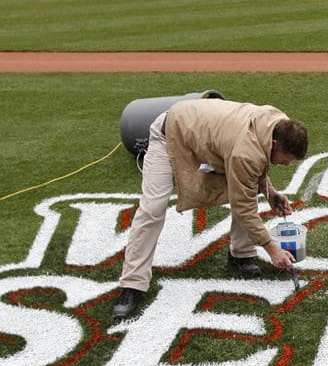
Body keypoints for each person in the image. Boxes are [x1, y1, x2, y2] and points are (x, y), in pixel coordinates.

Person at [112, 98, 309, 319]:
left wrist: (271, 192)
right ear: (274, 144)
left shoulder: (278, 123)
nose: (286, 164)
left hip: (205, 136)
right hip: (169, 135)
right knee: (152, 208)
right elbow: (243, 201)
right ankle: (132, 284)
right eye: (286, 159)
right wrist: (272, 249)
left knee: (246, 188)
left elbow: (256, 164)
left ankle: (241, 255)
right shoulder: (246, 151)